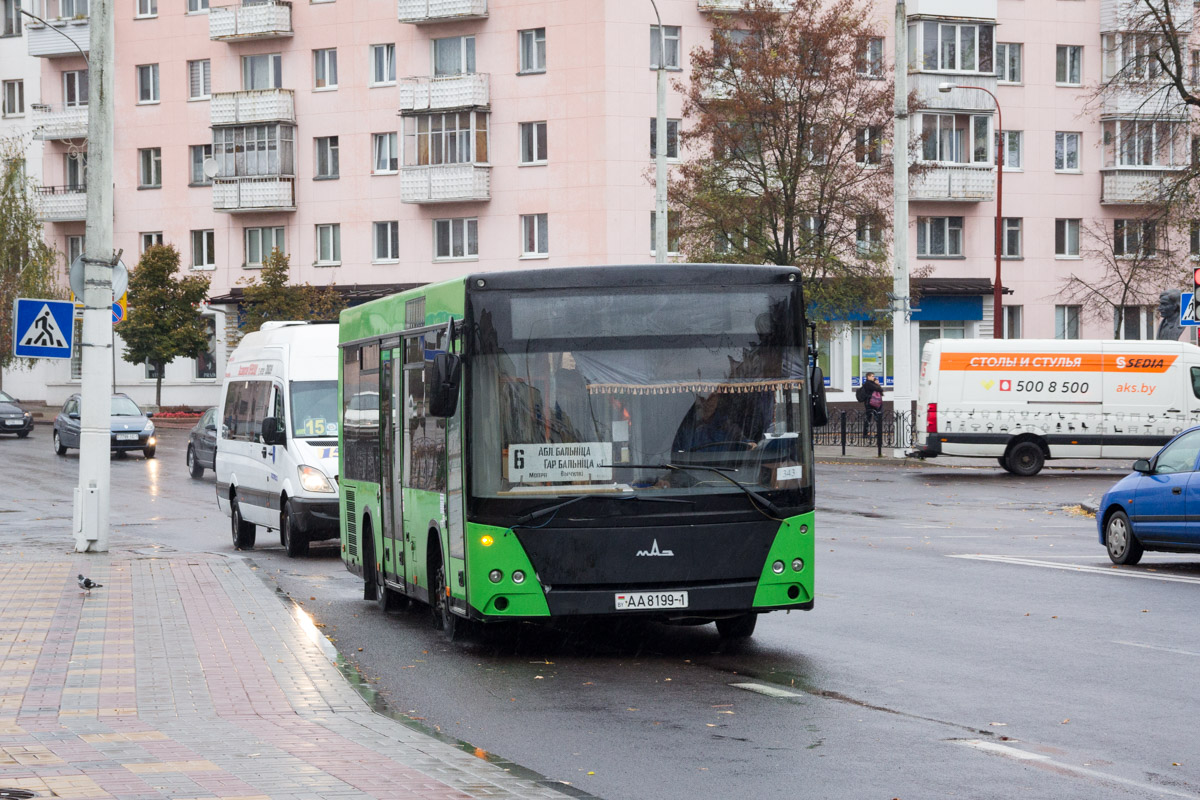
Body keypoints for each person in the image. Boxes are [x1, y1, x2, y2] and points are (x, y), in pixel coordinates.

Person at [856, 371, 884, 439]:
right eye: (872, 376)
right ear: (868, 377)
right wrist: (877, 384)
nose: (873, 377)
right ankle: (871, 433)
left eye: (873, 376)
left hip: (870, 402)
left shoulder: (869, 383)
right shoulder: (869, 384)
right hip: (871, 403)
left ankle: (867, 433)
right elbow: (880, 389)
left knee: (869, 417)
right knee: (875, 417)